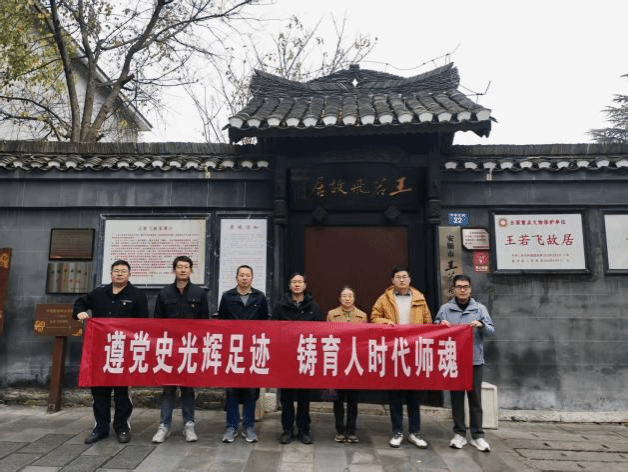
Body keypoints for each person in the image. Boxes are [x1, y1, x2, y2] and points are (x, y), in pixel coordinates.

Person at [73, 260, 148, 445]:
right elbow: (80, 303)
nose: (120, 274)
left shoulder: (137, 295)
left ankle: (122, 427)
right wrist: (80, 313)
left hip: (124, 351)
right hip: (100, 350)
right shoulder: (99, 293)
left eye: (123, 271)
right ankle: (100, 428)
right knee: (99, 391)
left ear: (129, 274)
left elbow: (144, 323)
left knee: (122, 392)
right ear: (111, 273)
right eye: (116, 271)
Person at [371, 264, 432, 449]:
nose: (402, 280)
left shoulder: (419, 298)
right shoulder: (384, 298)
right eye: (398, 277)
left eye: (405, 277)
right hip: (394, 352)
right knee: (395, 395)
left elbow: (428, 322)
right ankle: (397, 431)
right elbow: (374, 317)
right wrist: (386, 322)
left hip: (414, 351)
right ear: (393, 281)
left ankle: (415, 432)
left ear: (410, 280)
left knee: (414, 395)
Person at [151, 256, 209, 443]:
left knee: (188, 388)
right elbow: (157, 321)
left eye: (186, 267)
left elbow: (204, 322)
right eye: (179, 267)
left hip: (190, 348)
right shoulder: (164, 293)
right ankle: (164, 426)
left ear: (191, 270)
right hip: (169, 348)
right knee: (168, 389)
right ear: (174, 270)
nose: (183, 270)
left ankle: (189, 425)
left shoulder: (199, 293)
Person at [434, 274, 495, 452]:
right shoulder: (446, 309)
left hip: (474, 360)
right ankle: (459, 433)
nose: (462, 290)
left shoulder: (479, 309)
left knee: (475, 398)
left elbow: (491, 331)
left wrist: (481, 325)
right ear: (453, 289)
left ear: (470, 289)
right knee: (457, 398)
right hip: (454, 360)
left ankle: (477, 435)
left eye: (466, 287)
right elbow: (434, 327)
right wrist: (440, 324)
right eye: (459, 287)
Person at [217, 264, 269, 444]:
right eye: (242, 275)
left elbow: (265, 322)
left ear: (252, 278)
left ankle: (249, 426)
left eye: (248, 275)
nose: (244, 278)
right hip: (233, 349)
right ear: (236, 278)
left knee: (250, 390)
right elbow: (221, 321)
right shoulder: (227, 296)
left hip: (252, 349)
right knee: (231, 390)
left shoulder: (259, 297)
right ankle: (231, 427)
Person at [271, 272, 324, 445]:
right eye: (294, 282)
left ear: (305, 285)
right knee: (286, 398)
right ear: (290, 285)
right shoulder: (280, 306)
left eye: (300, 282)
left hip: (306, 357)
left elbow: (320, 332)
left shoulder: (314, 307)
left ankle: (304, 430)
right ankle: (287, 430)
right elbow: (273, 330)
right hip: (286, 358)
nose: (297, 284)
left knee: (304, 398)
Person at [326, 285, 368, 443]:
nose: (347, 299)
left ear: (354, 298)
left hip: (354, 362)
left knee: (352, 400)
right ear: (339, 298)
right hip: (338, 361)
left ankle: (351, 430)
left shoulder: (362, 316)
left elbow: (365, 339)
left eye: (350, 296)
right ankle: (339, 430)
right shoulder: (332, 314)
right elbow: (327, 336)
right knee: (338, 400)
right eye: (344, 296)